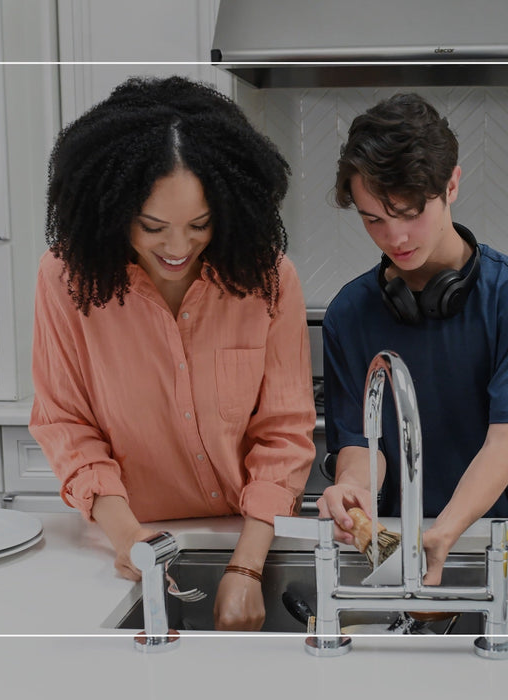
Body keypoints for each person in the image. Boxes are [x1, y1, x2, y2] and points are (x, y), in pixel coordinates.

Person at [30, 76, 316, 629]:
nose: (178, 248)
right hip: (126, 538)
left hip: (246, 536)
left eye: (200, 225)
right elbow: (66, 423)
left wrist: (250, 568)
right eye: (153, 227)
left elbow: (283, 432)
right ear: (112, 209)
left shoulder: (269, 279)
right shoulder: (66, 279)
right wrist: (125, 534)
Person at [317, 93, 508, 584]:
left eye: (409, 213)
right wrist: (352, 488)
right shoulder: (349, 313)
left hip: (504, 534)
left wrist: (445, 530)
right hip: (396, 536)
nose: (395, 238)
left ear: (451, 184)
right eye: (373, 220)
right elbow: (363, 445)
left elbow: (504, 442)